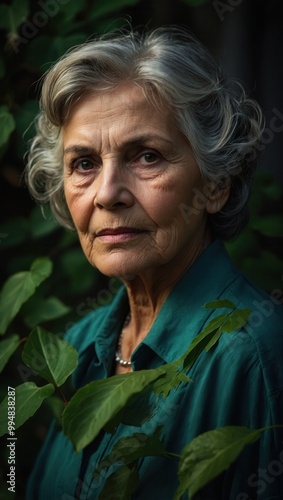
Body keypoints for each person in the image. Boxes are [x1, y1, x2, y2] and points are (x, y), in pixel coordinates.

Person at [25, 26, 283, 499]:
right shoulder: (79, 349)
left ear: (215, 184)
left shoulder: (257, 359)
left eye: (146, 156)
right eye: (83, 164)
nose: (107, 194)